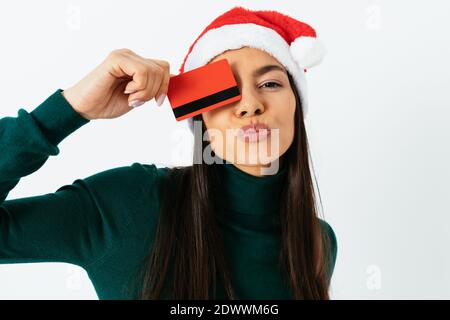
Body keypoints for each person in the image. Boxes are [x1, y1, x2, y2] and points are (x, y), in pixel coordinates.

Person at [0, 6, 337, 300]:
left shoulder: (317, 243)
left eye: (271, 84)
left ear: (296, 105)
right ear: (202, 117)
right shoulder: (130, 204)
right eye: (227, 90)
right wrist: (68, 110)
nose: (250, 105)